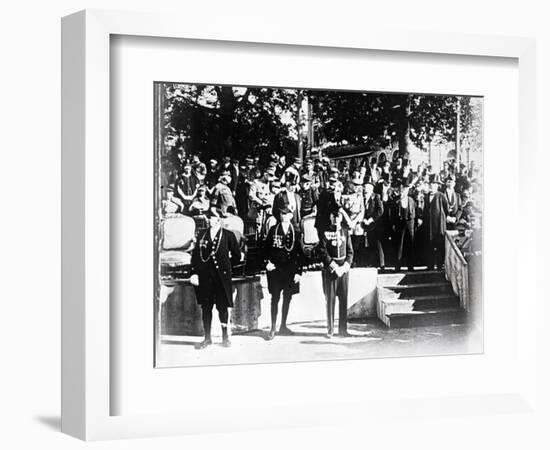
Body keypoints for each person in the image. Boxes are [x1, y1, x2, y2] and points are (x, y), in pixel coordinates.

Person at [189, 207, 242, 349]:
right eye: (209, 217)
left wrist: (227, 266)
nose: (210, 220)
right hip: (205, 278)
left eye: (212, 217)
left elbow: (237, 256)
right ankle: (207, 338)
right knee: (206, 308)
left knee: (222, 308)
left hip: (221, 279)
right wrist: (194, 272)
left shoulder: (228, 235)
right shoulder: (202, 234)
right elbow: (195, 256)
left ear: (219, 219)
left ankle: (225, 337)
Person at [263, 205, 304, 340]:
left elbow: (300, 254)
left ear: (291, 216)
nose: (283, 216)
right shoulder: (273, 230)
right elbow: (265, 248)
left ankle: (283, 325)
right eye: (281, 214)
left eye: (286, 214)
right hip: (275, 270)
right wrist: (266, 263)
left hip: (290, 271)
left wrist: (299, 272)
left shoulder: (296, 232)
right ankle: (273, 328)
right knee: (275, 298)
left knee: (288, 297)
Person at [318, 205, 353, 338]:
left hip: (343, 270)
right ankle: (330, 329)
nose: (336, 219)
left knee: (343, 299)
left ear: (341, 217)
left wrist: (344, 267)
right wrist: (333, 266)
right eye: (333, 216)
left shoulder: (345, 231)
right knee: (330, 300)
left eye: (338, 216)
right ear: (330, 218)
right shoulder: (325, 232)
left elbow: (350, 252)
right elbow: (323, 251)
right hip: (331, 270)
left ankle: (343, 329)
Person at [422, 178, 449, 270]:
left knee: (439, 245)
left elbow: (446, 209)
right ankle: (430, 265)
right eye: (431, 183)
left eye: (435, 184)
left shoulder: (441, 196)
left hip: (439, 225)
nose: (433, 185)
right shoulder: (426, 196)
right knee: (429, 245)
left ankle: (439, 265)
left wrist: (442, 218)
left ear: (437, 186)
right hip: (429, 225)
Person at [391, 181, 418, 271]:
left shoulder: (411, 200)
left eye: (405, 190)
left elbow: (415, 212)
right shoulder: (396, 201)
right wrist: (394, 224)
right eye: (402, 191)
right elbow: (393, 214)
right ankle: (397, 266)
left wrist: (414, 223)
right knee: (399, 245)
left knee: (410, 244)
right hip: (400, 224)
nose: (403, 192)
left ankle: (410, 266)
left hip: (410, 224)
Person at [362, 182, 385, 269]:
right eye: (364, 188)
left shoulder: (376, 197)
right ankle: (372, 263)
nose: (364, 189)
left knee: (378, 244)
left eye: (366, 188)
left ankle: (381, 264)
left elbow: (380, 210)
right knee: (370, 244)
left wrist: (371, 219)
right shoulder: (363, 198)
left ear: (371, 189)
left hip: (376, 225)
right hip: (367, 225)